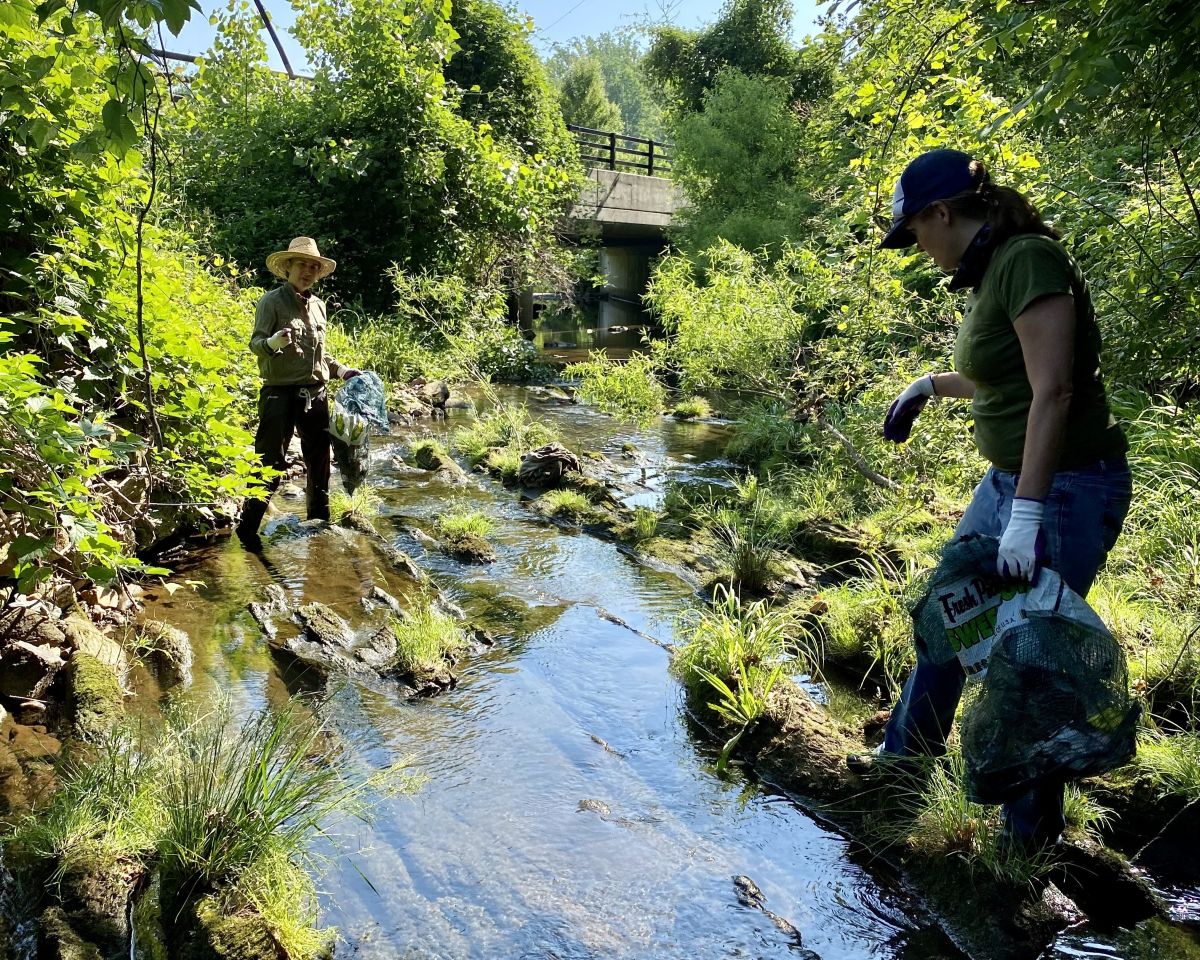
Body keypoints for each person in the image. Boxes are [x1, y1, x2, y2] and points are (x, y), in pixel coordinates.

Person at [855, 149, 1132, 851]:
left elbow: (1055, 390)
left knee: (1031, 661)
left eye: (916, 232)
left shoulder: (1028, 259)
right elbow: (1003, 379)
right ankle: (903, 766)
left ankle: (1023, 847)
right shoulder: (990, 275)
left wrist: (1029, 514)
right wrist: (929, 386)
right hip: (1010, 481)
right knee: (950, 616)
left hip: (1068, 488)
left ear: (942, 212)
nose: (917, 248)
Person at [235, 237, 360, 550]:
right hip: (279, 394)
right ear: (287, 267)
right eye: (301, 264)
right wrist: (273, 343)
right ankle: (247, 531)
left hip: (316, 394)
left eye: (313, 266)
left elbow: (321, 357)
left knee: (319, 460)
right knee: (269, 462)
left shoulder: (319, 306)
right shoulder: (271, 302)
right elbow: (255, 344)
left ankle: (319, 525)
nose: (307, 270)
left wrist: (343, 371)